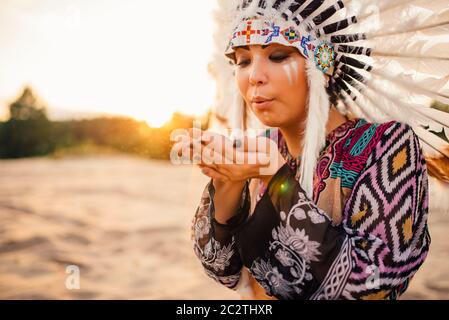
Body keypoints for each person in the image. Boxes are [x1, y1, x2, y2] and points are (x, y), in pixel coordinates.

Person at [186, 0, 446, 300]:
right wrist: (227, 181)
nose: (254, 76)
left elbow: (372, 285)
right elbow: (223, 268)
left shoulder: (387, 145)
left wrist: (276, 179)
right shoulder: (259, 149)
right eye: (242, 61)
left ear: (321, 64)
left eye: (278, 55)